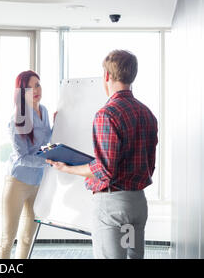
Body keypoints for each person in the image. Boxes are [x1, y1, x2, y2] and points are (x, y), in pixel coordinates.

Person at [46, 50, 158, 259]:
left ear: (106, 76)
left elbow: (105, 169)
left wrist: (67, 168)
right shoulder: (147, 113)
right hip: (137, 204)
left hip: (112, 207)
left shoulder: (107, 114)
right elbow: (149, 164)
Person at [0, 70, 56, 259]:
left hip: (38, 183)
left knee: (28, 237)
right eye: (29, 88)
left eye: (37, 84)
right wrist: (48, 161)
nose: (35, 90)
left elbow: (47, 142)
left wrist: (57, 126)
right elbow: (22, 157)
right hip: (17, 182)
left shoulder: (44, 111)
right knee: (7, 239)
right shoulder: (17, 119)